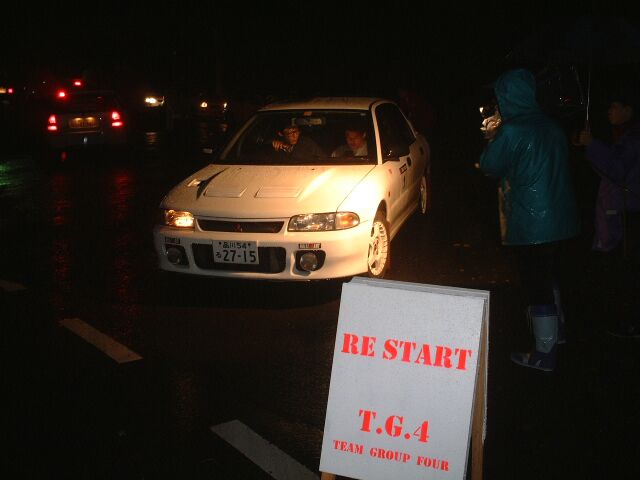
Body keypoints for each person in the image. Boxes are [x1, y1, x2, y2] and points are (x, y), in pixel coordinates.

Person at [479, 69, 580, 371]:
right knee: (550, 276)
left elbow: (489, 165)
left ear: (508, 97)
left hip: (532, 221)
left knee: (536, 284)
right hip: (561, 218)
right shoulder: (552, 125)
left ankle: (544, 353)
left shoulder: (512, 131)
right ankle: (558, 333)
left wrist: (492, 137)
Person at [575, 89, 640, 338]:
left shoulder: (633, 138)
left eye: (614, 106)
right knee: (620, 268)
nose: (609, 111)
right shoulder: (623, 136)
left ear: (628, 110)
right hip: (621, 212)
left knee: (625, 269)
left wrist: (593, 145)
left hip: (628, 214)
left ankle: (628, 323)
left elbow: (616, 168)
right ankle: (623, 320)